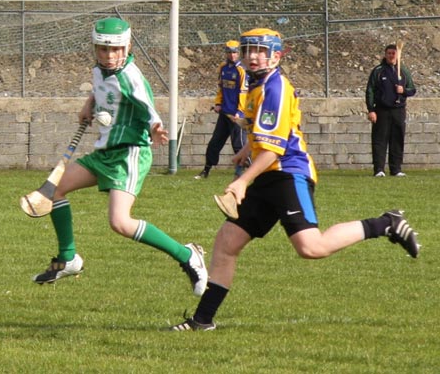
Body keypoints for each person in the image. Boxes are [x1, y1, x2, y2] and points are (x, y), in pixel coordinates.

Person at [171, 28, 420, 332]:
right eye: (249, 49)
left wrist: (241, 181)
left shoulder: (274, 87)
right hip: (268, 174)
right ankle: (202, 320)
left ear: (276, 56)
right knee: (226, 244)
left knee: (311, 248)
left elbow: (275, 149)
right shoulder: (256, 83)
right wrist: (247, 149)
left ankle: (386, 223)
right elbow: (274, 129)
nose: (252, 56)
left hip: (289, 173)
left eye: (260, 50)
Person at [32, 17, 208, 298]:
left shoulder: (131, 76)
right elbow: (101, 88)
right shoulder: (99, 70)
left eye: (115, 50)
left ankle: (187, 255)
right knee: (55, 189)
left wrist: (156, 128)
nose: (109, 55)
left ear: (127, 47)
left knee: (120, 223)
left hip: (130, 153)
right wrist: (88, 104)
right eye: (102, 49)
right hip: (106, 151)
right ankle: (68, 259)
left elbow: (147, 107)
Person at [195, 40, 250, 180]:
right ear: (226, 53)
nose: (232, 55)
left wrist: (240, 112)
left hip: (236, 116)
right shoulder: (223, 67)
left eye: (235, 52)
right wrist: (218, 104)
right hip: (225, 114)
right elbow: (221, 88)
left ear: (239, 53)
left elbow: (243, 92)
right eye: (230, 52)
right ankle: (206, 171)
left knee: (239, 145)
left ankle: (251, 172)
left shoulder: (242, 70)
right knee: (214, 143)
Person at [366, 43, 416, 177]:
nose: (391, 55)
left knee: (397, 139)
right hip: (381, 110)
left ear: (398, 55)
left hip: (398, 110)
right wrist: (371, 109)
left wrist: (403, 90)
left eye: (394, 53)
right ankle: (379, 170)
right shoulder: (378, 71)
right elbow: (370, 90)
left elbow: (412, 90)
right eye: (389, 53)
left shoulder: (403, 71)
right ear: (385, 54)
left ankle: (396, 169)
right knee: (379, 140)